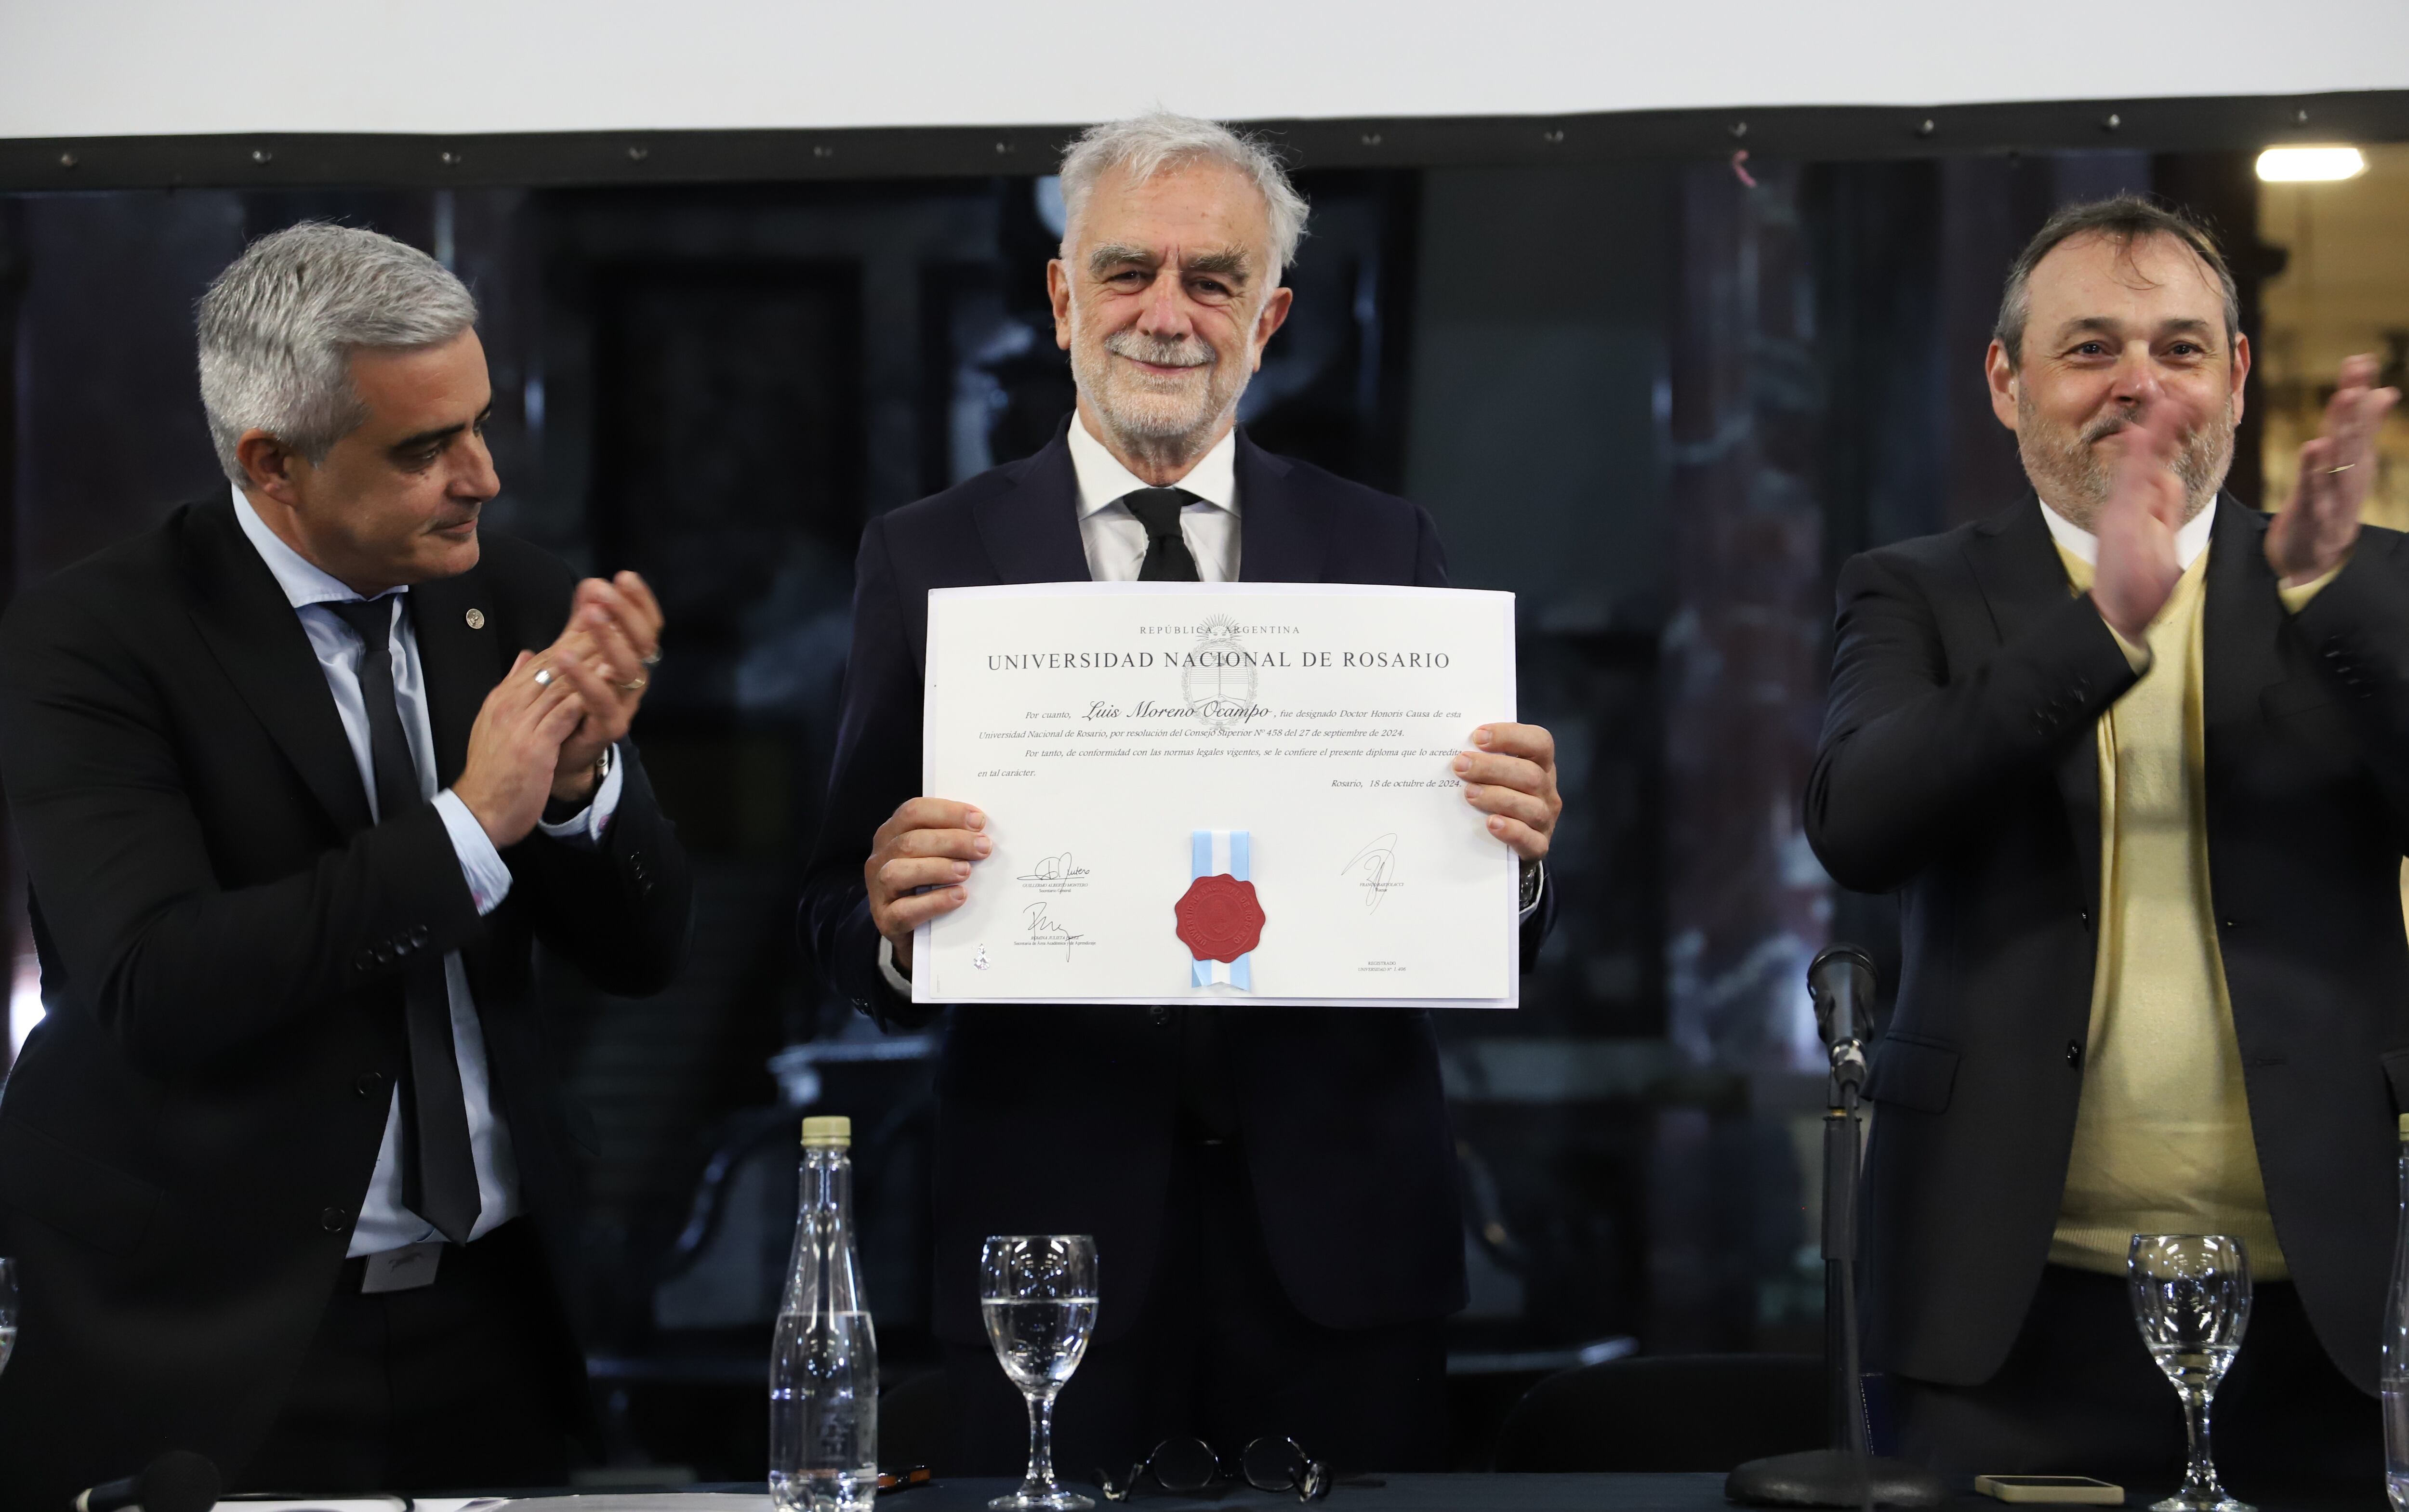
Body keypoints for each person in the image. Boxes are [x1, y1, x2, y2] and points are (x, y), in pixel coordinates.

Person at [802, 113, 1561, 1474]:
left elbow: (1487, 923)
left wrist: (1518, 860)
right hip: (1046, 1250)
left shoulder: (1386, 549)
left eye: (1212, 281)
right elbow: (830, 910)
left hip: (1341, 1250)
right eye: (1127, 272)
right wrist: (891, 920)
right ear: (1060, 296)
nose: (1167, 315)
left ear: (1269, 317)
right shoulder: (926, 560)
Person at [0, 222, 691, 1504]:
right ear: (274, 465)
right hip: (213, 1346)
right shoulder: (92, 645)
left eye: (480, 425)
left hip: (496, 1325)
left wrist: (584, 792)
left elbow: (646, 957)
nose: (482, 477)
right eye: (426, 449)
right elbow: (157, 984)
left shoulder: (518, 598)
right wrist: (467, 825)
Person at [1807, 194, 2402, 1483]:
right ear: (2006, 381)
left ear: (2237, 379)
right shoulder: (1913, 589)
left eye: (2181, 349)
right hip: (2006, 1310)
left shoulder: (2369, 583)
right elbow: (1861, 822)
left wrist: (2331, 598)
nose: (2141, 384)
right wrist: (2102, 633)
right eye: (2091, 349)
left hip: (2337, 1302)